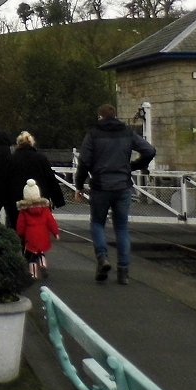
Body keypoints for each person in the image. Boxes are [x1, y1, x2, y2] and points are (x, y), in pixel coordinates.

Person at [75, 105, 155, 286]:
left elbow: (84, 161)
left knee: (97, 223)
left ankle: (102, 258)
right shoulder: (126, 132)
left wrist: (79, 185)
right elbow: (149, 151)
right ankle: (123, 272)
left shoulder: (93, 134)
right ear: (115, 116)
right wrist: (132, 166)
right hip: (123, 186)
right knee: (121, 228)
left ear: (100, 117)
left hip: (100, 186)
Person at [7, 131, 65, 232]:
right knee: (38, 230)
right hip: (39, 200)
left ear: (18, 143)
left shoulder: (12, 159)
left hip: (17, 201)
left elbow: (6, 180)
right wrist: (58, 199)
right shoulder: (41, 158)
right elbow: (50, 179)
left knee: (18, 227)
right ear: (32, 143)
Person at [15, 179, 60, 281]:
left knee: (31, 256)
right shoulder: (44, 209)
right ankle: (43, 263)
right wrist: (55, 232)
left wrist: (19, 234)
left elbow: (20, 225)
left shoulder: (24, 211)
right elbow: (51, 221)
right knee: (40, 252)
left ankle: (33, 274)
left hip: (31, 236)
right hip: (43, 235)